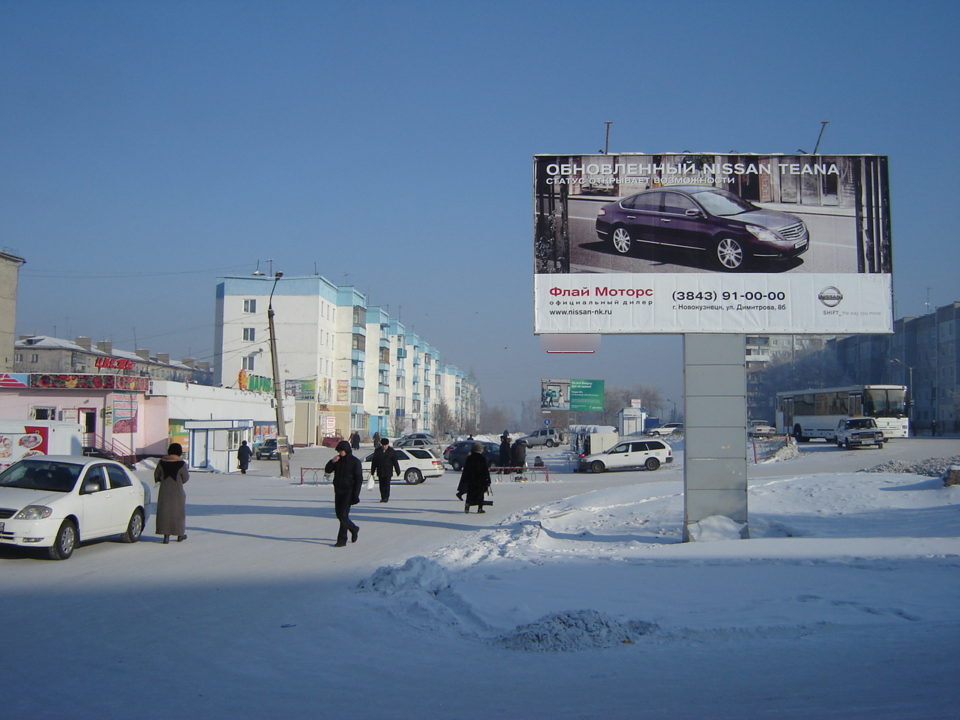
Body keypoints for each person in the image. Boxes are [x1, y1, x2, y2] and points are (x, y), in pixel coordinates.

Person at [324, 440, 363, 547]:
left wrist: (356, 495)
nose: (340, 453)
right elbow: (327, 470)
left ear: (346, 450)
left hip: (349, 491)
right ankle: (354, 528)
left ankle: (342, 540)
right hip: (338, 491)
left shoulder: (355, 462)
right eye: (339, 451)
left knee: (343, 515)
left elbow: (359, 479)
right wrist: (332, 462)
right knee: (339, 514)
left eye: (341, 451)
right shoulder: (338, 460)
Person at [154, 442, 189, 544]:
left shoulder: (161, 463)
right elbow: (185, 478)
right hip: (177, 492)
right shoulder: (181, 464)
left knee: (165, 512)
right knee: (178, 513)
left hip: (164, 491)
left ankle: (166, 536)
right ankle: (179, 534)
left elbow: (157, 475)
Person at [458, 442, 492, 513]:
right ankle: (480, 508)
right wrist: (488, 480)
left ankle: (467, 506)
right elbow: (485, 470)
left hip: (471, 480)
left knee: (470, 494)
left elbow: (466, 470)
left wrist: (465, 480)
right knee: (480, 494)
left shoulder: (469, 458)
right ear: (480, 450)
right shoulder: (482, 458)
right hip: (480, 480)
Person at [370, 437, 401, 502]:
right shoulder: (377, 451)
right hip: (380, 470)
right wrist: (372, 471)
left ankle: (386, 497)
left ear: (388, 444)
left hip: (388, 471)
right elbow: (374, 461)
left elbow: (395, 461)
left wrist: (398, 470)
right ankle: (383, 497)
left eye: (385, 445)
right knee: (381, 485)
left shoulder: (391, 451)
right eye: (383, 445)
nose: (384, 446)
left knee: (387, 485)